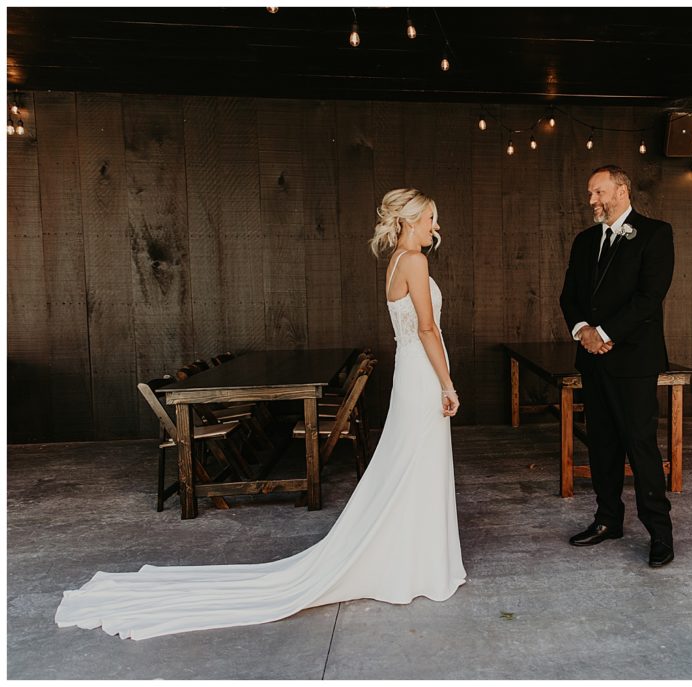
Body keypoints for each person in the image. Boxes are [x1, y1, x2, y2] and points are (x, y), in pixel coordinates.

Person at [54, 188, 466, 640]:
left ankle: (413, 558)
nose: (435, 227)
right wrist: (447, 383)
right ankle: (420, 564)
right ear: (409, 221)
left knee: (409, 465)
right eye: (430, 219)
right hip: (423, 374)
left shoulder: (395, 263)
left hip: (410, 372)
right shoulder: (415, 261)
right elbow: (427, 327)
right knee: (416, 465)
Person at [559, 165, 676, 567]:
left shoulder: (657, 234)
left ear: (622, 190)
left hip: (633, 362)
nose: (592, 200)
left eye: (598, 192)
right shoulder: (584, 240)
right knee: (603, 444)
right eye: (590, 193)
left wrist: (605, 332)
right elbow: (568, 296)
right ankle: (608, 520)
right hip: (592, 360)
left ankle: (660, 533)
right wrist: (583, 331)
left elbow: (649, 298)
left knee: (640, 446)